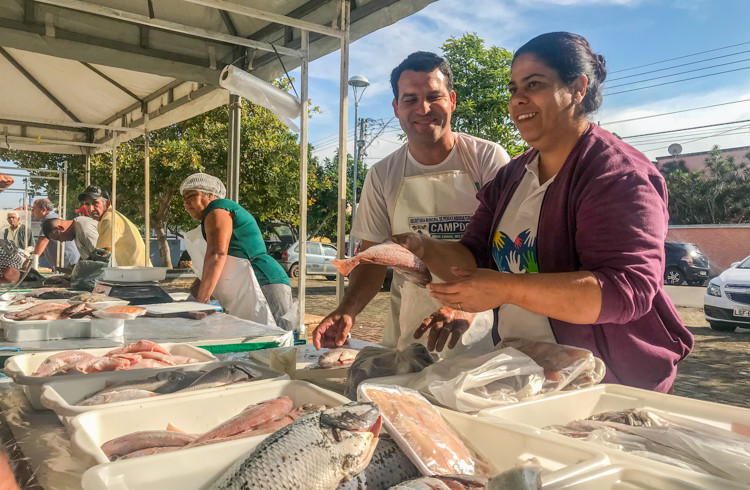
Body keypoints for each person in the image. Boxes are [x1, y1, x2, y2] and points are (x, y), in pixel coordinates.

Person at [388, 32, 693, 393]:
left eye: (534, 84)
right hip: (529, 374)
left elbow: (627, 290)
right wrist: (421, 248)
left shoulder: (617, 174)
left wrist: (505, 287)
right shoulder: (514, 175)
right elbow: (474, 256)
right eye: (514, 87)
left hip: (605, 385)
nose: (518, 100)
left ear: (578, 88)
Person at [313, 51, 510, 354]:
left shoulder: (486, 159)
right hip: (410, 323)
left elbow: (507, 253)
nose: (424, 108)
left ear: (452, 100)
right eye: (410, 99)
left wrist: (468, 306)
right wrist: (347, 309)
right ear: (395, 107)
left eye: (435, 96)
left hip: (482, 322)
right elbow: (372, 258)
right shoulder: (382, 175)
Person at [180, 173, 294, 329]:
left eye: (192, 195)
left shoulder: (218, 207)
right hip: (250, 284)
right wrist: (193, 295)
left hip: (261, 280)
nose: (186, 202)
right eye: (184, 199)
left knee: (275, 340)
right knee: (257, 343)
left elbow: (217, 253)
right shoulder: (208, 220)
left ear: (211, 195)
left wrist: (201, 303)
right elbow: (216, 262)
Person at [79, 185, 152, 267]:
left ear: (107, 203)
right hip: (136, 273)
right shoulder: (105, 218)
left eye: (95, 203)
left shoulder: (109, 219)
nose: (91, 209)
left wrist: (77, 272)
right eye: (87, 204)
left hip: (139, 275)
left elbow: (101, 255)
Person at [30, 198, 80, 271]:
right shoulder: (51, 217)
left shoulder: (49, 220)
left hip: (67, 260)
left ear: (43, 210)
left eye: (34, 209)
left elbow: (43, 240)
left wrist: (31, 261)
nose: (32, 212)